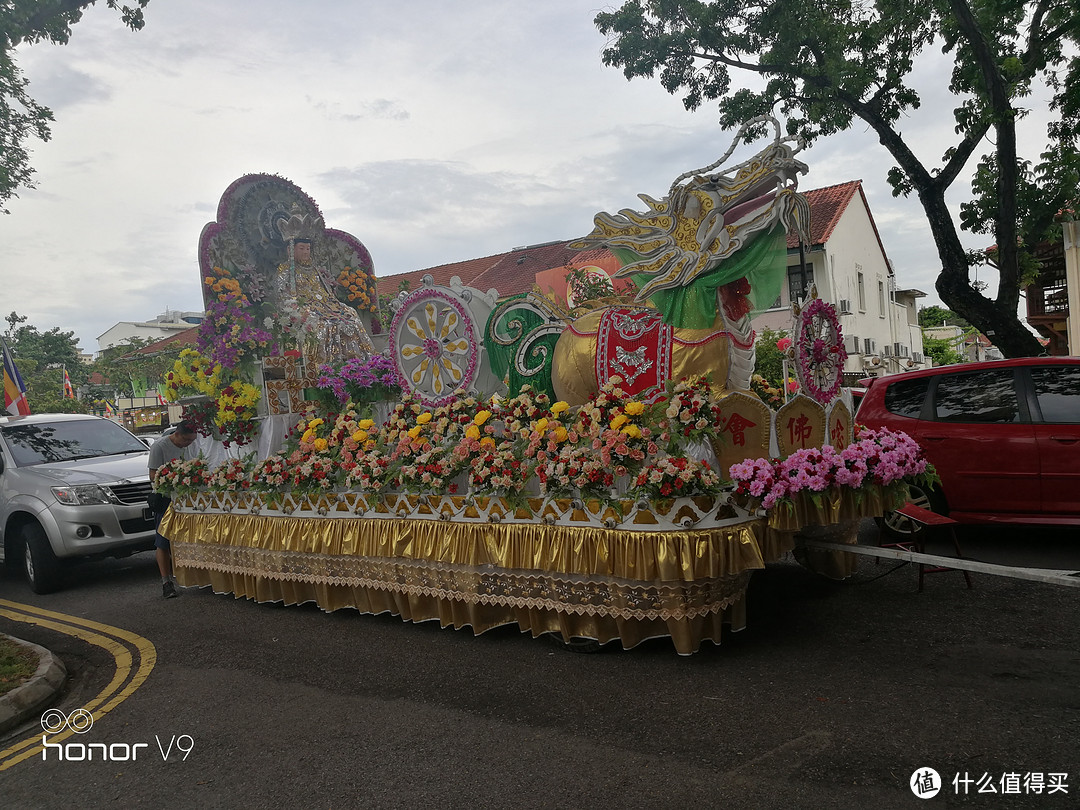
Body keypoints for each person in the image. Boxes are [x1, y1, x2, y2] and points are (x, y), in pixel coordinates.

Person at [274, 236, 374, 366]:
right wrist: (295, 307)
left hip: (325, 305)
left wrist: (334, 305)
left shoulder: (314, 270)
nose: (305, 252)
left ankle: (356, 359)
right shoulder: (285, 270)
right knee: (320, 322)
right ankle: (322, 364)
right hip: (304, 308)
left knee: (351, 314)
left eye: (308, 249)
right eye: (301, 248)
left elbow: (326, 292)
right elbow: (282, 297)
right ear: (290, 250)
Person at [148, 422, 198, 598]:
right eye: (185, 440)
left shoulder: (190, 447)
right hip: (166, 499)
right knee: (163, 541)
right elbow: (153, 475)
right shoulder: (159, 447)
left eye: (191, 441)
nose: (187, 444)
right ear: (177, 434)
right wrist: (174, 476)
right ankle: (166, 582)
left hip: (186, 497)